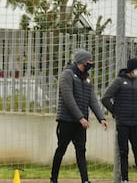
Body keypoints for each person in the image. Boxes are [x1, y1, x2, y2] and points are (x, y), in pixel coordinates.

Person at [50, 49, 108, 183]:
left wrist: (102, 118)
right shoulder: (67, 75)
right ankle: (53, 179)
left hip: (81, 123)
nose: (91, 63)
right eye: (89, 61)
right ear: (82, 61)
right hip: (66, 121)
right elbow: (68, 98)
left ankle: (85, 180)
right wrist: (80, 117)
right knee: (61, 149)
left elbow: (92, 99)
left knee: (81, 151)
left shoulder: (87, 78)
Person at [101, 58, 137, 183]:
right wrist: (116, 113)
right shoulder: (119, 81)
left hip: (135, 124)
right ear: (132, 69)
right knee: (123, 152)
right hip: (123, 124)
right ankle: (125, 179)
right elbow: (105, 98)